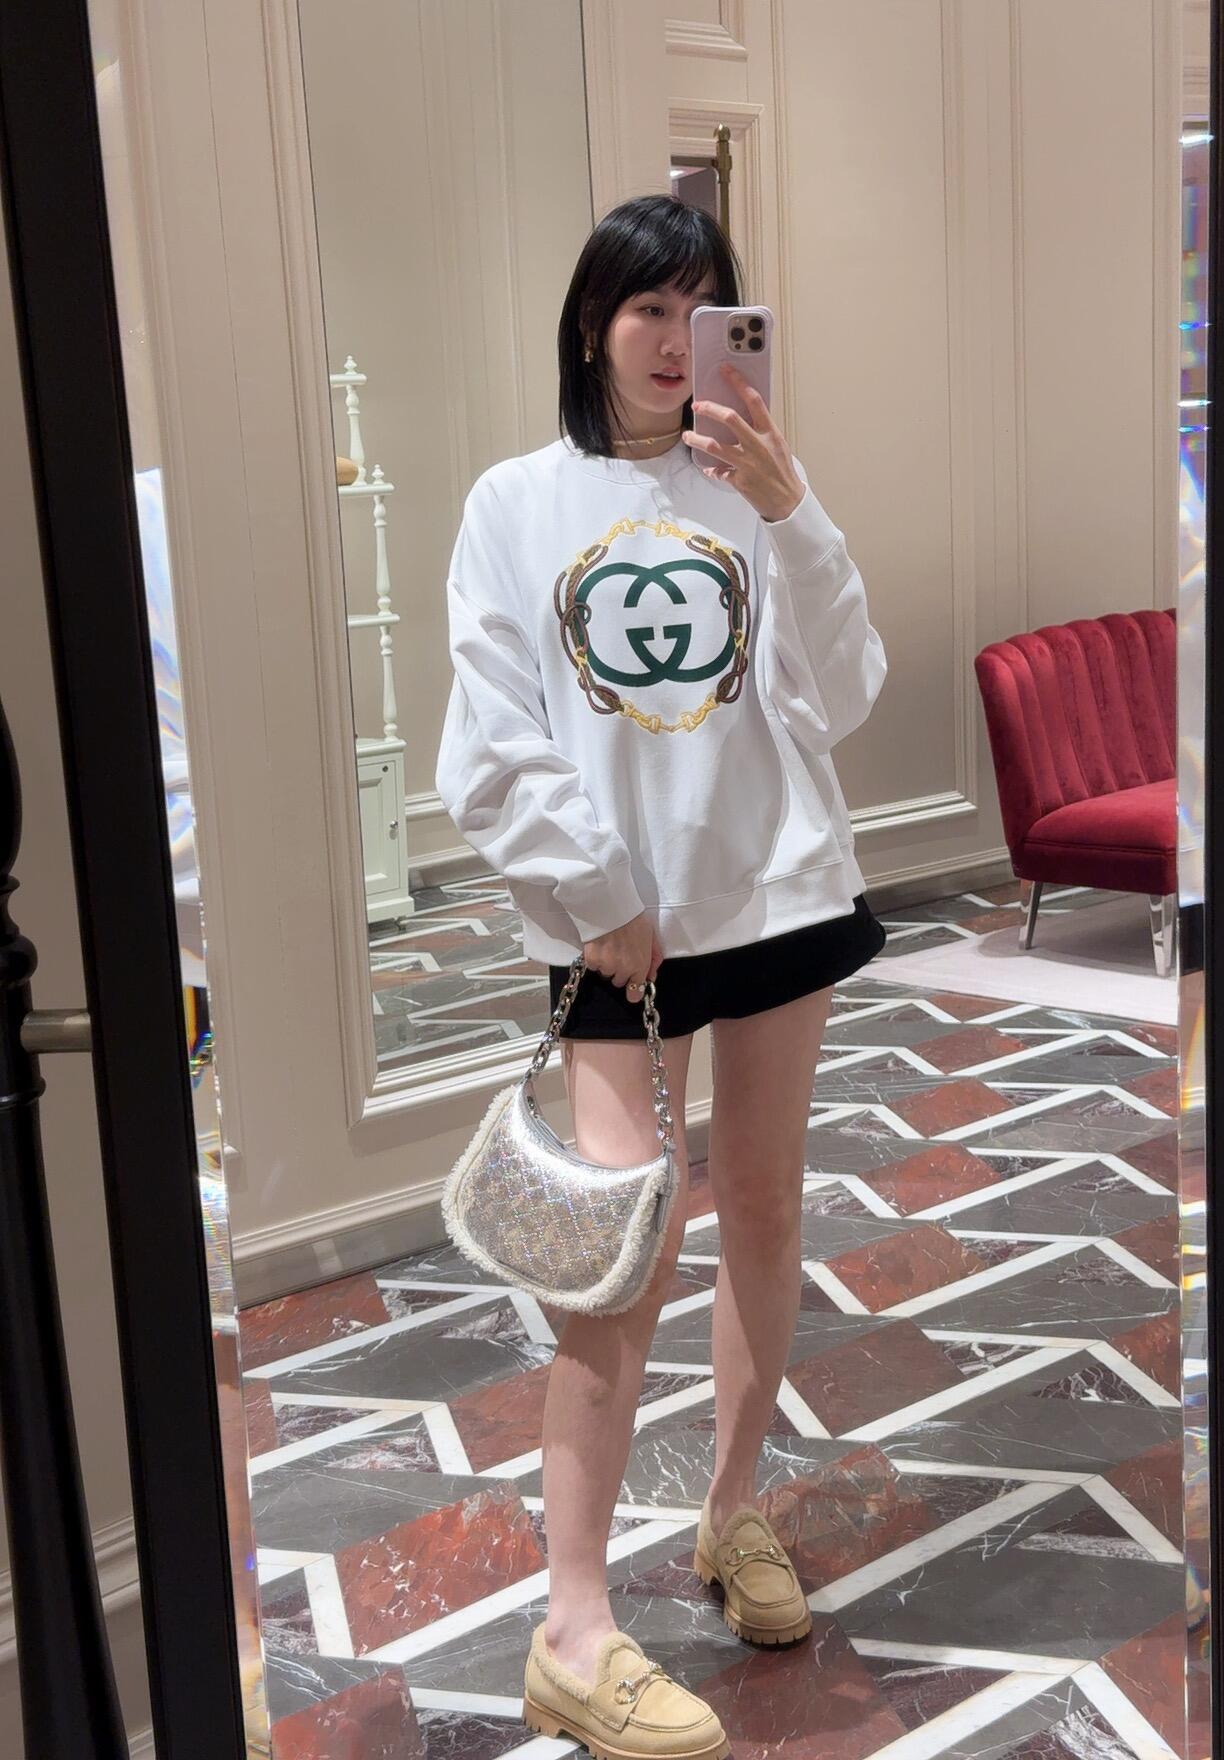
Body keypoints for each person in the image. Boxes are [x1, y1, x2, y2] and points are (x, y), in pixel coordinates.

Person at [435, 192, 888, 1760]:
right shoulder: (515, 503)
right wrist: (599, 892)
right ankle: (574, 1626)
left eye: (704, 310)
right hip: (618, 929)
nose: (674, 338)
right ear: (592, 325)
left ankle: (731, 1509)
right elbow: (488, 738)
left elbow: (845, 692)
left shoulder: (752, 492)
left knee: (762, 1205)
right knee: (615, 1254)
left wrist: (793, 513)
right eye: (647, 307)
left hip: (776, 897)